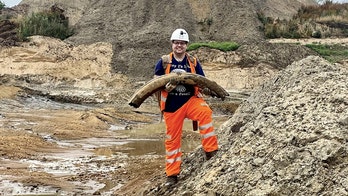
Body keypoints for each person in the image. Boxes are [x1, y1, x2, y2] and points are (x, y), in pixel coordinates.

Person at [154, 28, 219, 186]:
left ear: (186, 45)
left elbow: (201, 81)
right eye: (176, 43)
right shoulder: (163, 62)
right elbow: (154, 84)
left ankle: (211, 151)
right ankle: (172, 175)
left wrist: (209, 90)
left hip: (190, 101)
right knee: (172, 141)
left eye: (182, 43)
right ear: (172, 44)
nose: (179, 46)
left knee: (205, 112)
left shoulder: (193, 62)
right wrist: (165, 87)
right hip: (171, 106)